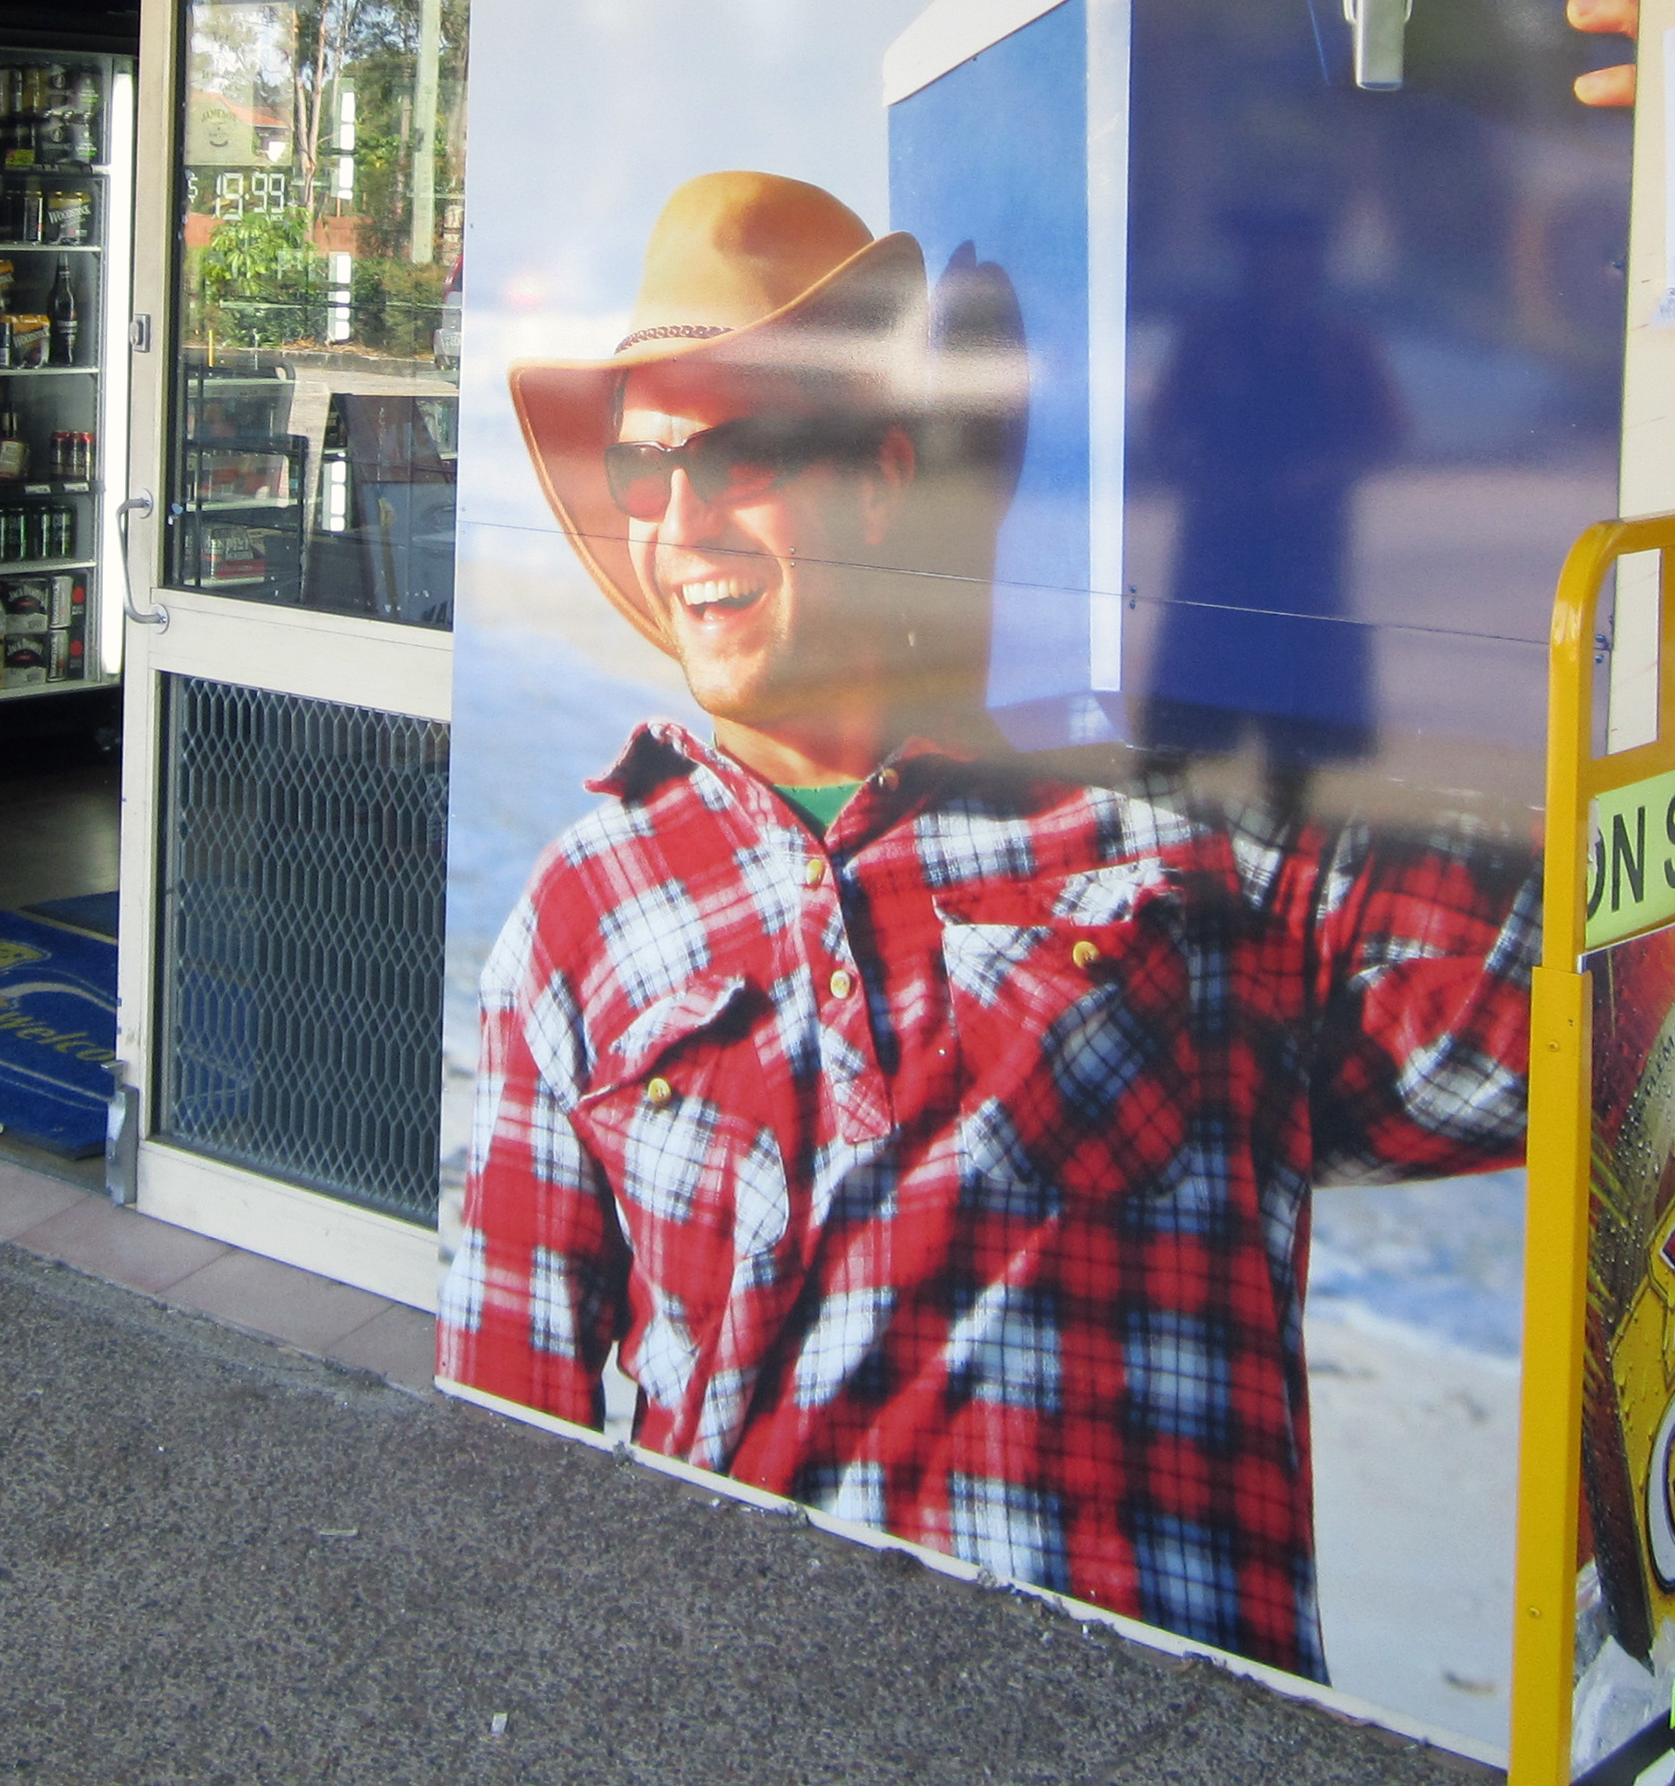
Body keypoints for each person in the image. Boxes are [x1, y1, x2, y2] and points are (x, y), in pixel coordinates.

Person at [442, 171, 1536, 1678]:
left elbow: (1619, 1014)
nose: (680, 519)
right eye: (645, 470)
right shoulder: (585, 909)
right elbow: (516, 1459)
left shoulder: (1188, 832)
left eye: (739, 450)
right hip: (734, 1710)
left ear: (884, 476)